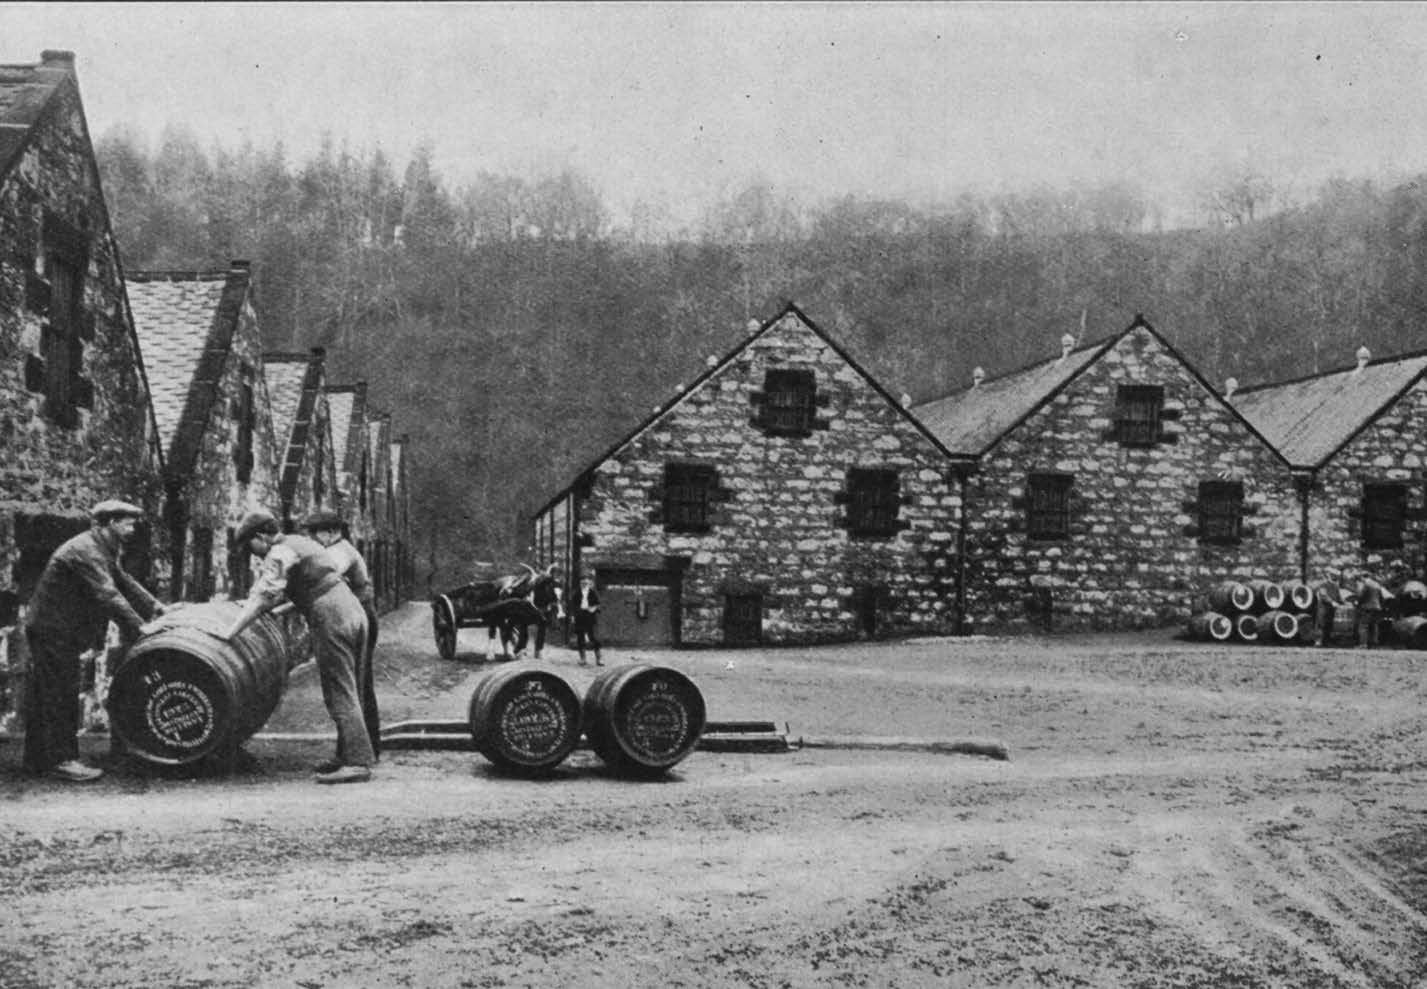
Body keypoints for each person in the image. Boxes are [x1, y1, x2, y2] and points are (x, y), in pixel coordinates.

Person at [224, 510, 373, 784]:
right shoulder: (300, 542)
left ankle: (357, 763)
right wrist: (280, 611)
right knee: (353, 687)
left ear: (260, 537)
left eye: (250, 546)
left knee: (339, 690)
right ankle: (349, 755)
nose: (252, 553)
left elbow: (263, 595)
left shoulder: (279, 552)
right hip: (352, 610)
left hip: (331, 616)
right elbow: (316, 582)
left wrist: (230, 632)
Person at [23, 500, 164, 782]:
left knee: (48, 691)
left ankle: (39, 760)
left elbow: (122, 579)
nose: (133, 527)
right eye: (128, 522)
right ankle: (61, 760)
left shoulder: (100, 546)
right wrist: (140, 628)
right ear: (110, 523)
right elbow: (108, 595)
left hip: (56, 628)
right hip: (53, 629)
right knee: (60, 692)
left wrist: (156, 607)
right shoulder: (86, 550)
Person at [303, 510, 380, 763]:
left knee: (355, 686)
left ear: (332, 533)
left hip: (358, 615)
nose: (313, 539)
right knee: (353, 685)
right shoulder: (334, 549)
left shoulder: (341, 552)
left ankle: (360, 752)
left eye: (316, 534)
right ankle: (352, 750)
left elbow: (328, 573)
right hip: (353, 613)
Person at [531, 566, 565, 660]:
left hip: (549, 609)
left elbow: (556, 596)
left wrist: (554, 603)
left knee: (544, 630)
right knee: (541, 629)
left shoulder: (553, 585)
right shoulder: (540, 583)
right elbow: (538, 594)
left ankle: (538, 650)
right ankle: (538, 651)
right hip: (539, 608)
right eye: (555, 574)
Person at [1353, 569, 1393, 648]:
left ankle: (1363, 644)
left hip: (1367, 608)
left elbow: (1361, 597)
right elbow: (1381, 597)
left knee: (1363, 625)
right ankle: (1374, 643)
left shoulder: (1366, 585)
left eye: (1361, 578)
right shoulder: (1377, 584)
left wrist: (1357, 603)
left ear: (1363, 577)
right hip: (1377, 608)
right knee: (1374, 625)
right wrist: (1381, 606)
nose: (1361, 580)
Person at [1312, 566, 1348, 647]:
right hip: (1323, 608)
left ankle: (1326, 642)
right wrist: (1332, 602)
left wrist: (1346, 602)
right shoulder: (1323, 584)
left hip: (1331, 609)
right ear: (1329, 575)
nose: (1335, 577)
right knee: (1321, 624)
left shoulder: (1336, 586)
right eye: (1333, 575)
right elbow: (1324, 595)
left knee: (1329, 625)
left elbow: (1339, 597)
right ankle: (1318, 641)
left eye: (1335, 575)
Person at [571, 574, 602, 667]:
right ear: (580, 583)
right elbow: (573, 605)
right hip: (580, 616)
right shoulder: (576, 593)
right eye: (582, 582)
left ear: (589, 583)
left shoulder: (593, 592)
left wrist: (593, 608)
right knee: (580, 637)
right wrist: (574, 615)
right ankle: (583, 659)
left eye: (586, 582)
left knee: (593, 637)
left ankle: (599, 659)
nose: (584, 584)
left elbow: (598, 604)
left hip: (590, 616)